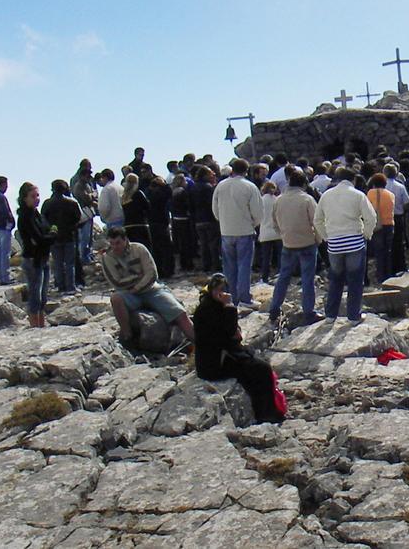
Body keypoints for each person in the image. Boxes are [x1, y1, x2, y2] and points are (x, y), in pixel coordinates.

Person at [193, 273, 285, 423]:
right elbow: (229, 333)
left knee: (256, 371)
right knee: (261, 369)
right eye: (218, 290)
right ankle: (267, 414)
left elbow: (232, 333)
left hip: (221, 355)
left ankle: (265, 412)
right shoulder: (207, 310)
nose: (221, 293)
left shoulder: (213, 306)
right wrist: (229, 306)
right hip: (214, 363)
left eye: (223, 289)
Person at [100, 227, 195, 348]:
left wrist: (137, 286)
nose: (115, 247)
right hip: (128, 293)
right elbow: (116, 282)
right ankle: (127, 336)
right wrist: (139, 277)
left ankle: (200, 343)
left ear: (125, 240)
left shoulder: (139, 249)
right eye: (112, 243)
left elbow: (152, 274)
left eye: (118, 243)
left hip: (151, 290)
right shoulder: (107, 258)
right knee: (115, 298)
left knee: (180, 314)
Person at [314, 168, 378, 323]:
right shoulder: (358, 195)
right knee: (355, 280)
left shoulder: (326, 195)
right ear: (353, 180)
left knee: (335, 279)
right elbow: (371, 217)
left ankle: (330, 315)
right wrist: (366, 234)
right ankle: (353, 316)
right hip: (354, 241)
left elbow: (317, 220)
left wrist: (326, 236)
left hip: (335, 243)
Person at [269, 169, 323, 325]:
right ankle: (308, 312)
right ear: (304, 184)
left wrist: (284, 235)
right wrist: (318, 239)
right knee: (307, 279)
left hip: (288, 243)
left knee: (283, 277)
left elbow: (274, 222)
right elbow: (317, 221)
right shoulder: (307, 199)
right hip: (307, 243)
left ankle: (274, 309)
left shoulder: (278, 200)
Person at [212, 159, 264, 306]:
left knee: (229, 268)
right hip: (245, 230)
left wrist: (223, 222)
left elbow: (215, 210)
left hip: (226, 231)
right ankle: (244, 298)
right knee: (244, 266)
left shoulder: (220, 186)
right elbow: (258, 212)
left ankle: (231, 298)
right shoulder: (250, 186)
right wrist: (252, 224)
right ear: (246, 171)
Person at [16, 182, 55, 328]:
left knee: (43, 297)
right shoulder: (25, 216)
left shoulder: (36, 214)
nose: (37, 199)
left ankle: (41, 326)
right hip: (33, 260)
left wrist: (51, 234)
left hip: (43, 257)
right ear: (24, 198)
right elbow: (38, 238)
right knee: (35, 297)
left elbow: (49, 229)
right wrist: (51, 236)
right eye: (33, 196)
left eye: (37, 195)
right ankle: (35, 327)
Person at [40, 179, 82, 294]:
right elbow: (79, 218)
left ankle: (60, 286)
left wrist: (51, 230)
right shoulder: (72, 202)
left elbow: (43, 220)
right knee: (69, 263)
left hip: (54, 236)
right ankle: (70, 287)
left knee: (58, 263)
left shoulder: (47, 203)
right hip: (69, 235)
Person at [365, 174, 395, 283]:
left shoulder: (371, 193)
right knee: (388, 251)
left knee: (379, 252)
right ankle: (388, 275)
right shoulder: (391, 194)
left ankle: (380, 276)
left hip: (378, 225)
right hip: (389, 224)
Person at [190, 166, 220, 272]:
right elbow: (211, 203)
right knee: (213, 244)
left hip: (198, 220)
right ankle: (216, 265)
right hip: (210, 219)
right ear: (205, 175)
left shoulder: (193, 187)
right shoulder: (208, 188)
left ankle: (206, 265)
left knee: (203, 244)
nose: (213, 175)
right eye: (211, 174)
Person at [384, 163, 409, 274]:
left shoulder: (382, 187)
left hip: (384, 217)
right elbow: (407, 202)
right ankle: (400, 267)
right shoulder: (400, 187)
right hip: (398, 217)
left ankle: (387, 268)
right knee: (399, 243)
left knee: (386, 244)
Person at [70, 160, 98, 265]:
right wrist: (92, 196)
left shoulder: (87, 183)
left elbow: (94, 193)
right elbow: (84, 196)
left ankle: (87, 255)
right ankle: (83, 257)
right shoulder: (78, 183)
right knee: (84, 237)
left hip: (88, 211)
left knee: (88, 236)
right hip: (82, 212)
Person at [258, 181, 283, 284]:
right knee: (280, 256)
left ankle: (265, 277)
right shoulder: (277, 200)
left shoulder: (260, 201)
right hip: (277, 232)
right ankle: (281, 275)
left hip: (265, 232)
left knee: (266, 257)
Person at [120, 173, 152, 250]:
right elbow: (147, 207)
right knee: (144, 249)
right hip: (140, 225)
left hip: (127, 226)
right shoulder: (138, 194)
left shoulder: (123, 197)